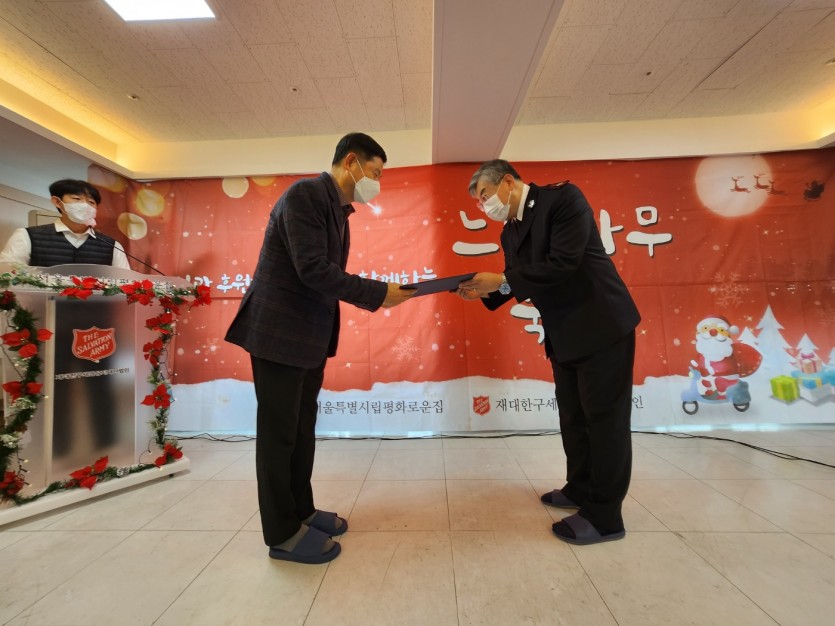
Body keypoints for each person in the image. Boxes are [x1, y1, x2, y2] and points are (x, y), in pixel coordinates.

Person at [225, 132, 414, 564]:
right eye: (375, 172)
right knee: (278, 436)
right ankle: (282, 534)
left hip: (305, 336)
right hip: (278, 334)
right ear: (351, 162)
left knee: (300, 430)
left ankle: (302, 512)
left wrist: (378, 293)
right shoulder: (305, 195)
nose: (377, 182)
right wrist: (377, 293)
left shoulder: (337, 209)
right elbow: (312, 269)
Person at [458, 159, 640, 546]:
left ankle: (606, 516)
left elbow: (563, 263)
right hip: (564, 333)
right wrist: (483, 291)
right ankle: (580, 487)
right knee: (573, 416)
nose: (484, 206)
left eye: (485, 196)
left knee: (604, 421)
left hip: (602, 324)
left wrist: (501, 279)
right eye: (478, 202)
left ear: (508, 182)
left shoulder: (563, 200)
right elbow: (517, 283)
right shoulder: (510, 232)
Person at [0, 178, 131, 269]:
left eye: (91, 202)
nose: (85, 205)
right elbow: (7, 276)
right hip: (40, 302)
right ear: (57, 202)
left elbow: (126, 283)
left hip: (95, 303)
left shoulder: (112, 246)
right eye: (77, 199)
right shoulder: (26, 236)